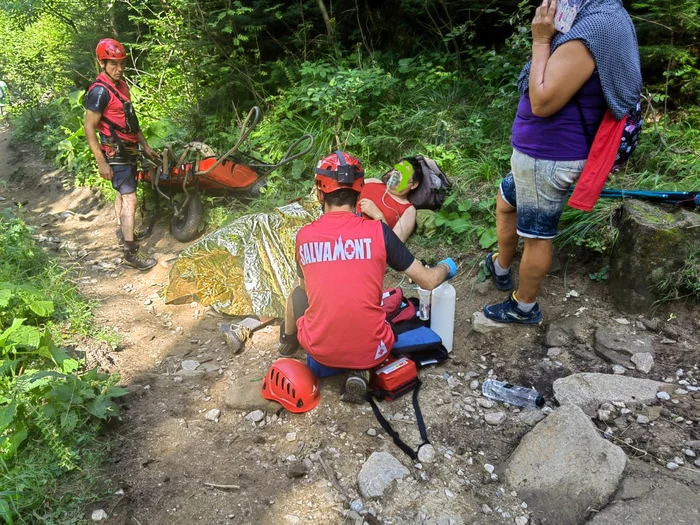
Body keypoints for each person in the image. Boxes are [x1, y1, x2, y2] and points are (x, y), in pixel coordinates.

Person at [483, 0, 642, 323]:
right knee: (506, 201)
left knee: (537, 236)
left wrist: (540, 39)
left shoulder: (594, 29)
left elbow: (542, 101)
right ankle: (501, 267)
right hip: (538, 154)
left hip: (549, 156)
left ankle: (523, 306)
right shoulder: (595, 15)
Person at [277, 151, 457, 403]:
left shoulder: (304, 236)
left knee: (298, 291)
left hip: (319, 350)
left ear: (319, 194)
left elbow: (307, 293)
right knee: (384, 308)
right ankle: (360, 365)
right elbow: (427, 280)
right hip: (374, 349)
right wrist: (447, 267)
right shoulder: (379, 232)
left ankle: (287, 343)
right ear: (360, 193)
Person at [83, 38, 158, 271]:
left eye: (122, 63)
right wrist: (101, 161)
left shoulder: (121, 85)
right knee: (130, 197)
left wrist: (144, 145)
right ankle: (130, 251)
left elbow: (131, 121)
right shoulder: (99, 92)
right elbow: (89, 126)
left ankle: (122, 228)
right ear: (102, 63)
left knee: (121, 194)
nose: (119, 68)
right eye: (113, 64)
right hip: (114, 151)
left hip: (129, 148)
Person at [356, 158, 423, 242]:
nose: (395, 174)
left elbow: (395, 245)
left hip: (358, 240)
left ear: (413, 185)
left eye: (402, 173)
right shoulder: (374, 182)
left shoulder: (408, 210)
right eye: (396, 169)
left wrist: (378, 216)